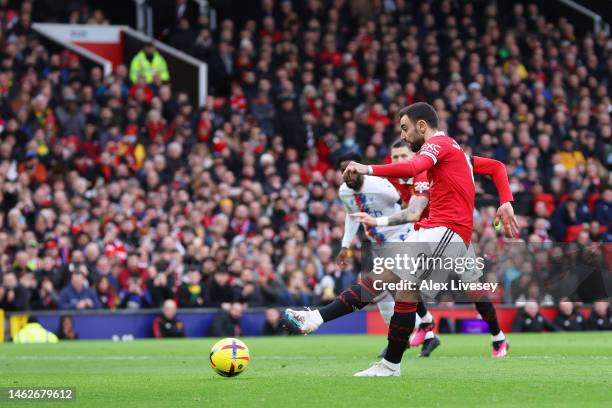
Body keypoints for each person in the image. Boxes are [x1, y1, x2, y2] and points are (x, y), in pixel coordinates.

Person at [285, 102, 518, 376]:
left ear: (422, 126)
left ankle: (318, 319)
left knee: (387, 282)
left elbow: (412, 168)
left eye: (406, 128)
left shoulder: (438, 144)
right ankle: (387, 362)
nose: (404, 136)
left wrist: (366, 168)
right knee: (398, 290)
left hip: (446, 231)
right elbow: (497, 167)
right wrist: (506, 201)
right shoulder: (457, 153)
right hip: (436, 231)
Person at [352, 139, 515, 358]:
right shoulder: (395, 179)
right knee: (398, 276)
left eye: (404, 156)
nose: (400, 160)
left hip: (449, 234)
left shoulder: (442, 162)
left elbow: (495, 167)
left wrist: (505, 200)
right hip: (424, 234)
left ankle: (498, 336)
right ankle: (425, 325)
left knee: (472, 288)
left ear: (416, 158)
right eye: (396, 157)